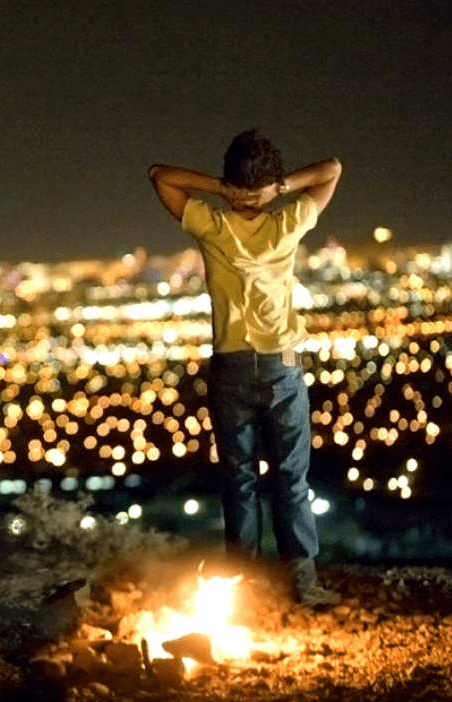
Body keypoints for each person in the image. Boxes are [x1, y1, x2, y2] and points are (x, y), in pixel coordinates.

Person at [148, 129, 342, 607]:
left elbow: (160, 175)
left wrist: (222, 189)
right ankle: (302, 584)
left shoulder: (212, 225)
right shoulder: (289, 221)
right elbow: (332, 169)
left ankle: (243, 589)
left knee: (239, 482)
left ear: (231, 177)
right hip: (281, 367)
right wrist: (278, 188)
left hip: (230, 369)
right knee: (291, 480)